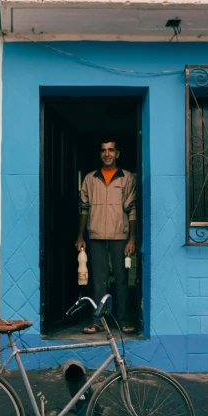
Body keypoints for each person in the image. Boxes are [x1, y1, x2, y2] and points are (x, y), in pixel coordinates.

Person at [75, 140, 137, 334]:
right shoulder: (90, 179)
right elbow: (84, 209)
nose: (107, 154)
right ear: (100, 154)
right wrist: (80, 236)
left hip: (120, 234)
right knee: (99, 281)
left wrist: (132, 238)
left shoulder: (126, 178)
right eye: (103, 150)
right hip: (96, 235)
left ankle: (124, 320)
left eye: (111, 150)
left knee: (121, 279)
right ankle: (97, 321)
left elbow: (132, 209)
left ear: (117, 153)